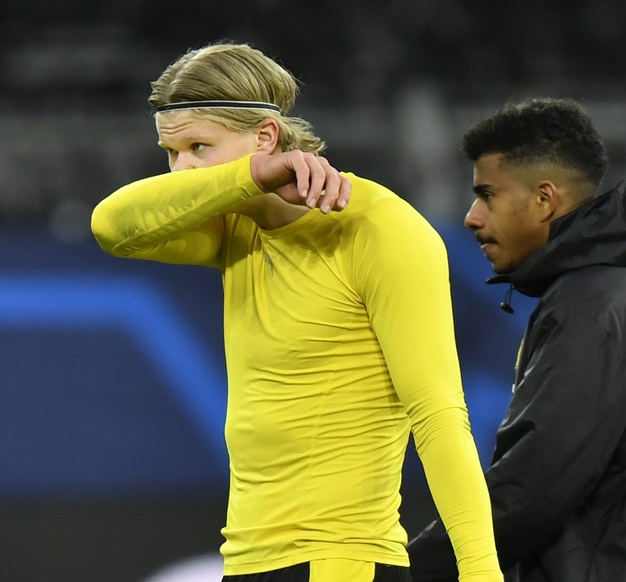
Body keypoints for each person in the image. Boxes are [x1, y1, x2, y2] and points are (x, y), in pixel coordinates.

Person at [91, 42, 503, 582]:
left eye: (198, 146)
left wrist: (481, 573)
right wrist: (249, 177)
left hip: (338, 561)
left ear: (265, 137)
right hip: (248, 561)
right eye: (171, 152)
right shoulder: (233, 227)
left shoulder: (379, 229)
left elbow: (439, 416)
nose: (180, 170)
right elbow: (111, 227)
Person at [407, 97, 626, 581]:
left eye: (487, 195)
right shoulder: (621, 289)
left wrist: (407, 571)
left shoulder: (596, 307)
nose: (472, 217)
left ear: (544, 199)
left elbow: (531, 487)